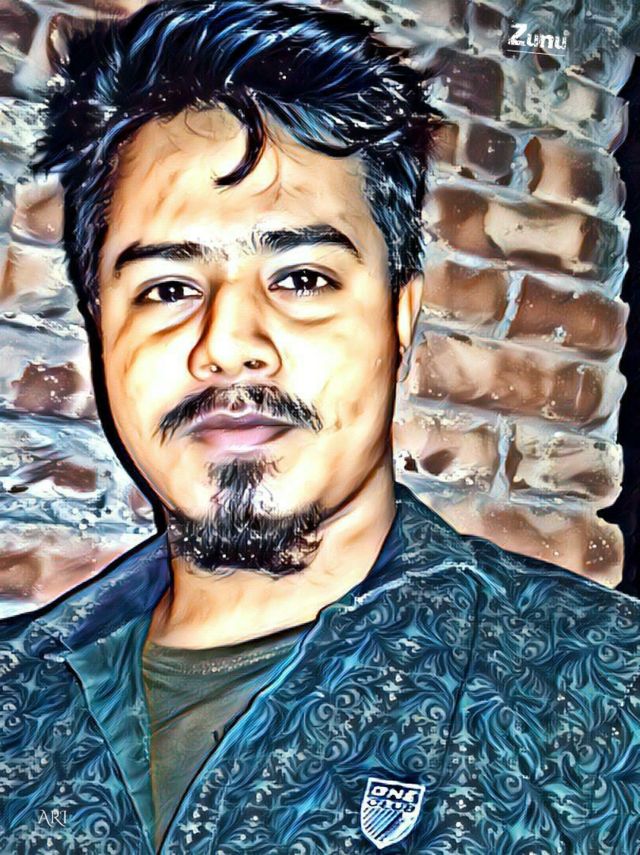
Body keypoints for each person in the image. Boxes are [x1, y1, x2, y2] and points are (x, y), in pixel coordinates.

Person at [1, 2, 640, 852]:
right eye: (167, 288)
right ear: (101, 331)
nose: (227, 344)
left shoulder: (605, 691)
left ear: (400, 320)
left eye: (302, 278)